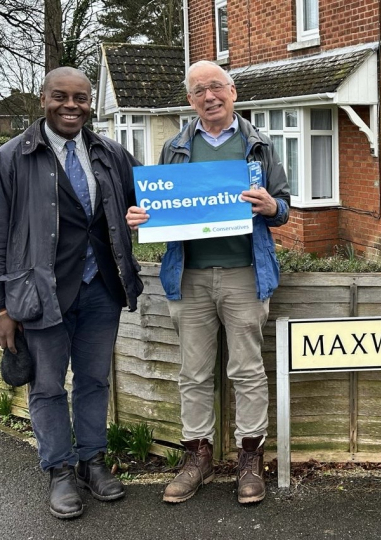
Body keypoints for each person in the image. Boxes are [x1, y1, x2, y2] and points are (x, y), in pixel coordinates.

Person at [126, 60, 290, 505]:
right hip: (190, 276)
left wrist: (271, 207)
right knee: (193, 373)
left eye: (216, 87)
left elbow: (285, 208)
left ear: (233, 92)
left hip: (244, 275)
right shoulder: (174, 148)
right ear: (190, 100)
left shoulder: (259, 145)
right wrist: (143, 217)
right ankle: (196, 456)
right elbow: (159, 209)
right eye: (199, 90)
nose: (209, 96)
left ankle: (250, 459)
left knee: (248, 370)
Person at [0, 67, 144, 519]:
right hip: (39, 292)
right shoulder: (11, 157)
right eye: (60, 97)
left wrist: (144, 216)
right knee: (46, 386)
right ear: (43, 99)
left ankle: (92, 461)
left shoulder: (111, 153)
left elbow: (153, 200)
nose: (71, 105)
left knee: (94, 380)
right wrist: (3, 305)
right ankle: (60, 470)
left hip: (101, 286)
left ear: (90, 104)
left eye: (80, 98)